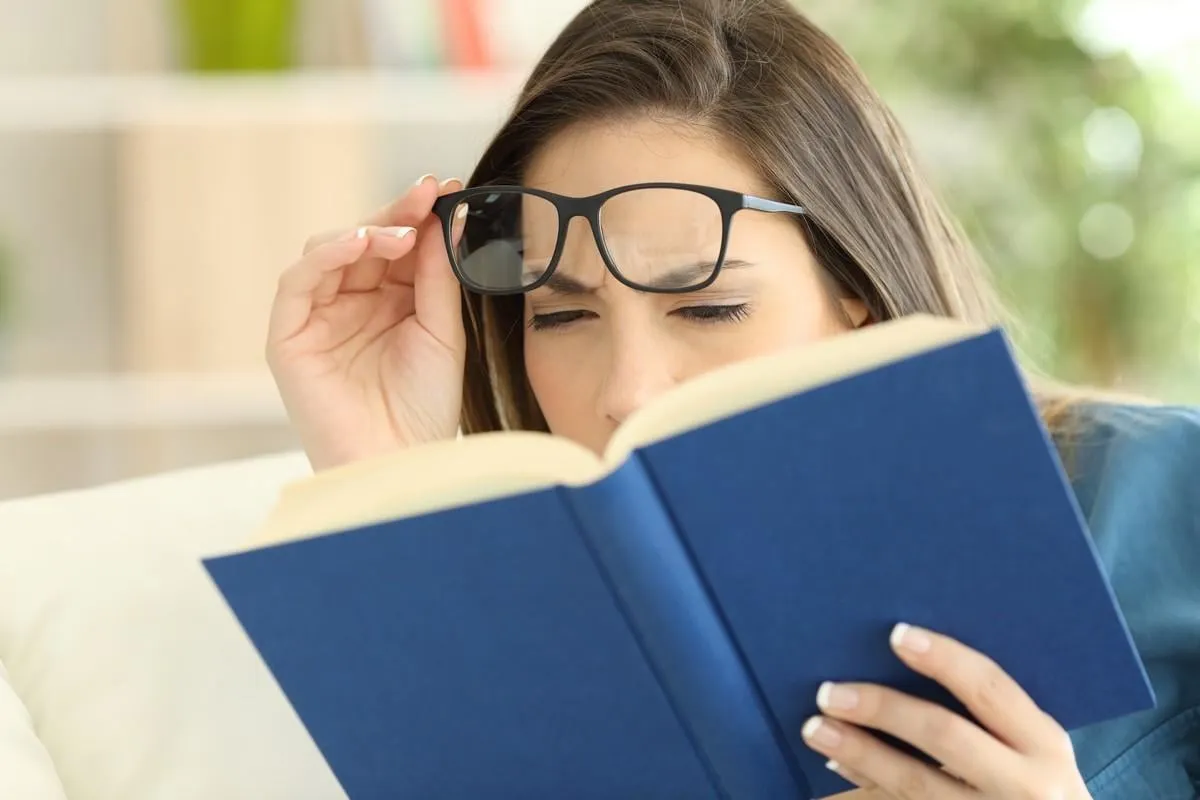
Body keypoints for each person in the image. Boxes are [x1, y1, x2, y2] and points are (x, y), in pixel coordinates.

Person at [264, 0, 1200, 796]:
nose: (629, 390)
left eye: (708, 307)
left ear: (854, 286)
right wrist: (382, 482)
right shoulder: (508, 622)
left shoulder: (1168, 499)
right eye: (561, 315)